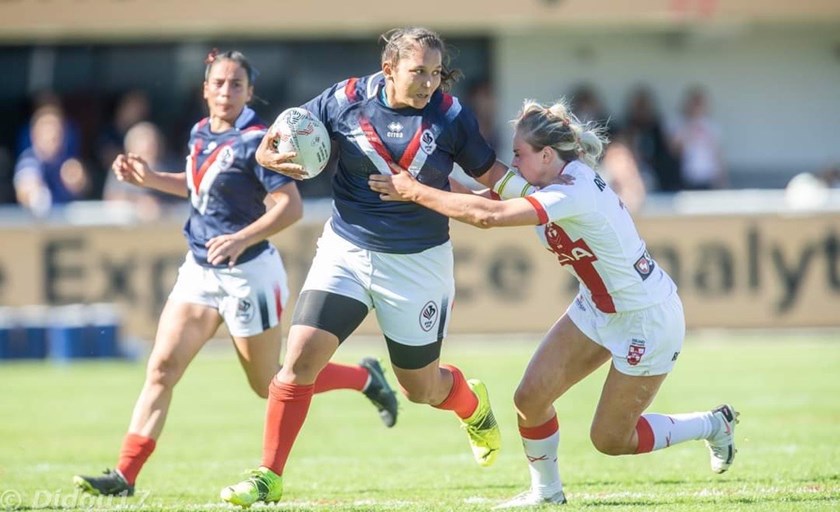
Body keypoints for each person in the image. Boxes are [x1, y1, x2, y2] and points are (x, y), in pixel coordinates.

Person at [369, 98, 739, 508]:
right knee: (529, 397)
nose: (512, 161)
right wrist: (417, 183)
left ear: (546, 155)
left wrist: (416, 191)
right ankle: (547, 493)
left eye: (518, 154)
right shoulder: (547, 178)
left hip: (645, 319)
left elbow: (488, 218)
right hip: (597, 308)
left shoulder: (572, 191)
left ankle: (712, 424)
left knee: (611, 439)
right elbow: (485, 199)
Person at [73, 50, 398, 498]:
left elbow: (290, 207)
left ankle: (365, 378)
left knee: (270, 385)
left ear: (249, 92)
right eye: (219, 83)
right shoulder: (201, 131)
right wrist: (149, 180)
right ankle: (125, 476)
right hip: (200, 271)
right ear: (205, 88)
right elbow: (199, 184)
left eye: (236, 84)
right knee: (162, 368)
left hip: (249, 275)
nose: (226, 91)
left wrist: (242, 237)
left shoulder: (260, 141)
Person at [220, 27, 512, 508]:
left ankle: (471, 403)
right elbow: (272, 144)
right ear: (389, 69)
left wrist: (541, 190)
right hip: (347, 250)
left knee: (421, 388)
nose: (428, 84)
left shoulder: (451, 116)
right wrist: (279, 159)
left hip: (417, 263)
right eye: (418, 72)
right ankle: (267, 475)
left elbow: (491, 177)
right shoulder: (345, 99)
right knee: (300, 360)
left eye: (435, 73)